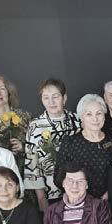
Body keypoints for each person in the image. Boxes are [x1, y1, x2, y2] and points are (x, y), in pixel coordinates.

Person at [54, 94, 112, 222]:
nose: (95, 118)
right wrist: (80, 195)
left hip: (109, 204)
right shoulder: (70, 143)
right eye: (89, 114)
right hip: (79, 207)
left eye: (99, 113)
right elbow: (58, 177)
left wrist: (109, 194)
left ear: (104, 115)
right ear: (81, 117)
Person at [24, 78, 81, 210]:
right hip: (50, 193)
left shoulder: (77, 120)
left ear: (64, 98)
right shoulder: (35, 126)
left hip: (78, 189)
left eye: (55, 97)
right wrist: (41, 197)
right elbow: (32, 164)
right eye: (46, 98)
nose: (51, 102)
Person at [38, 162, 111, 224]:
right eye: (70, 181)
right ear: (63, 183)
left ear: (87, 184)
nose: (74, 186)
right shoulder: (51, 210)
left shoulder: (99, 207)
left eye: (80, 181)